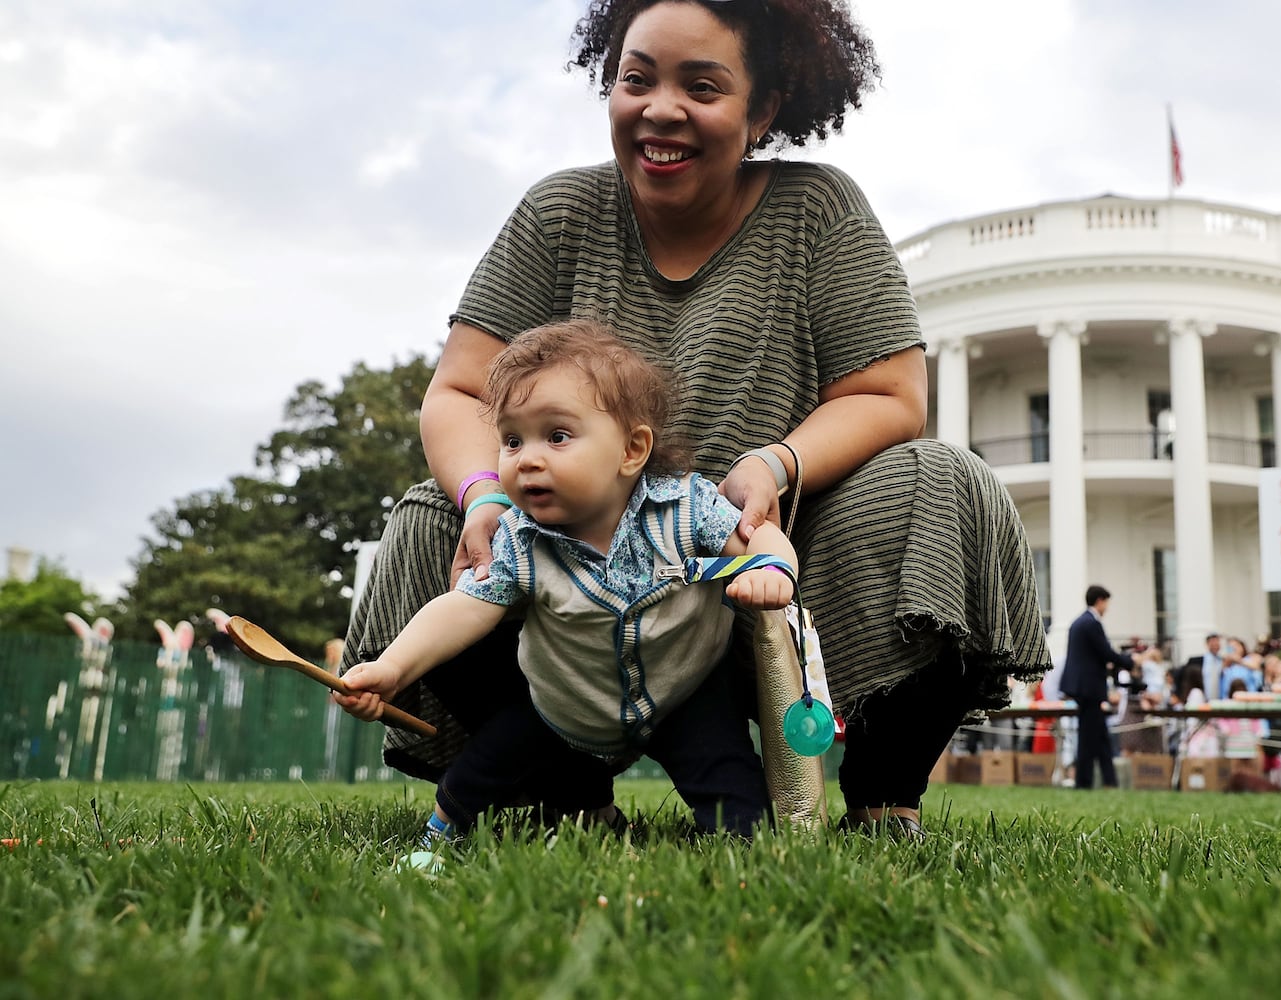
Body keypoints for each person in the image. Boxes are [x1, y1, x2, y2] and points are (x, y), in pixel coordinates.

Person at [339, 0, 1050, 839]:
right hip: (565, 585)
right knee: (431, 514)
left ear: (763, 110)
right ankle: (562, 796)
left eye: (701, 87)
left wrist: (775, 466)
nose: (661, 108)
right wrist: (487, 497)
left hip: (760, 580)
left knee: (941, 481)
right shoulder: (557, 214)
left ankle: (882, 797)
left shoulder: (819, 211)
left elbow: (891, 393)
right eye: (636, 79)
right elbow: (459, 392)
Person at [338, 321, 797, 848]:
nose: (527, 457)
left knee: (737, 801)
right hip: (564, 707)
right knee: (481, 768)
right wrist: (393, 666)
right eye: (511, 440)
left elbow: (758, 535)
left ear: (632, 449)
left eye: (556, 436)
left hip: (685, 692)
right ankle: (437, 841)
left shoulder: (686, 508)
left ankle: (743, 846)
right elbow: (463, 608)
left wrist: (772, 571)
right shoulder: (518, 538)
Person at [1058, 585, 1137, 788]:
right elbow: (1105, 652)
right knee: (1088, 737)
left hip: (1082, 687)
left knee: (1100, 736)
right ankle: (1083, 782)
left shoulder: (1079, 622)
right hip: (1089, 688)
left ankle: (1110, 780)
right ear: (1100, 600)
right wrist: (1130, 660)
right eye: (1107, 602)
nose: (1107, 608)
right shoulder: (1091, 623)